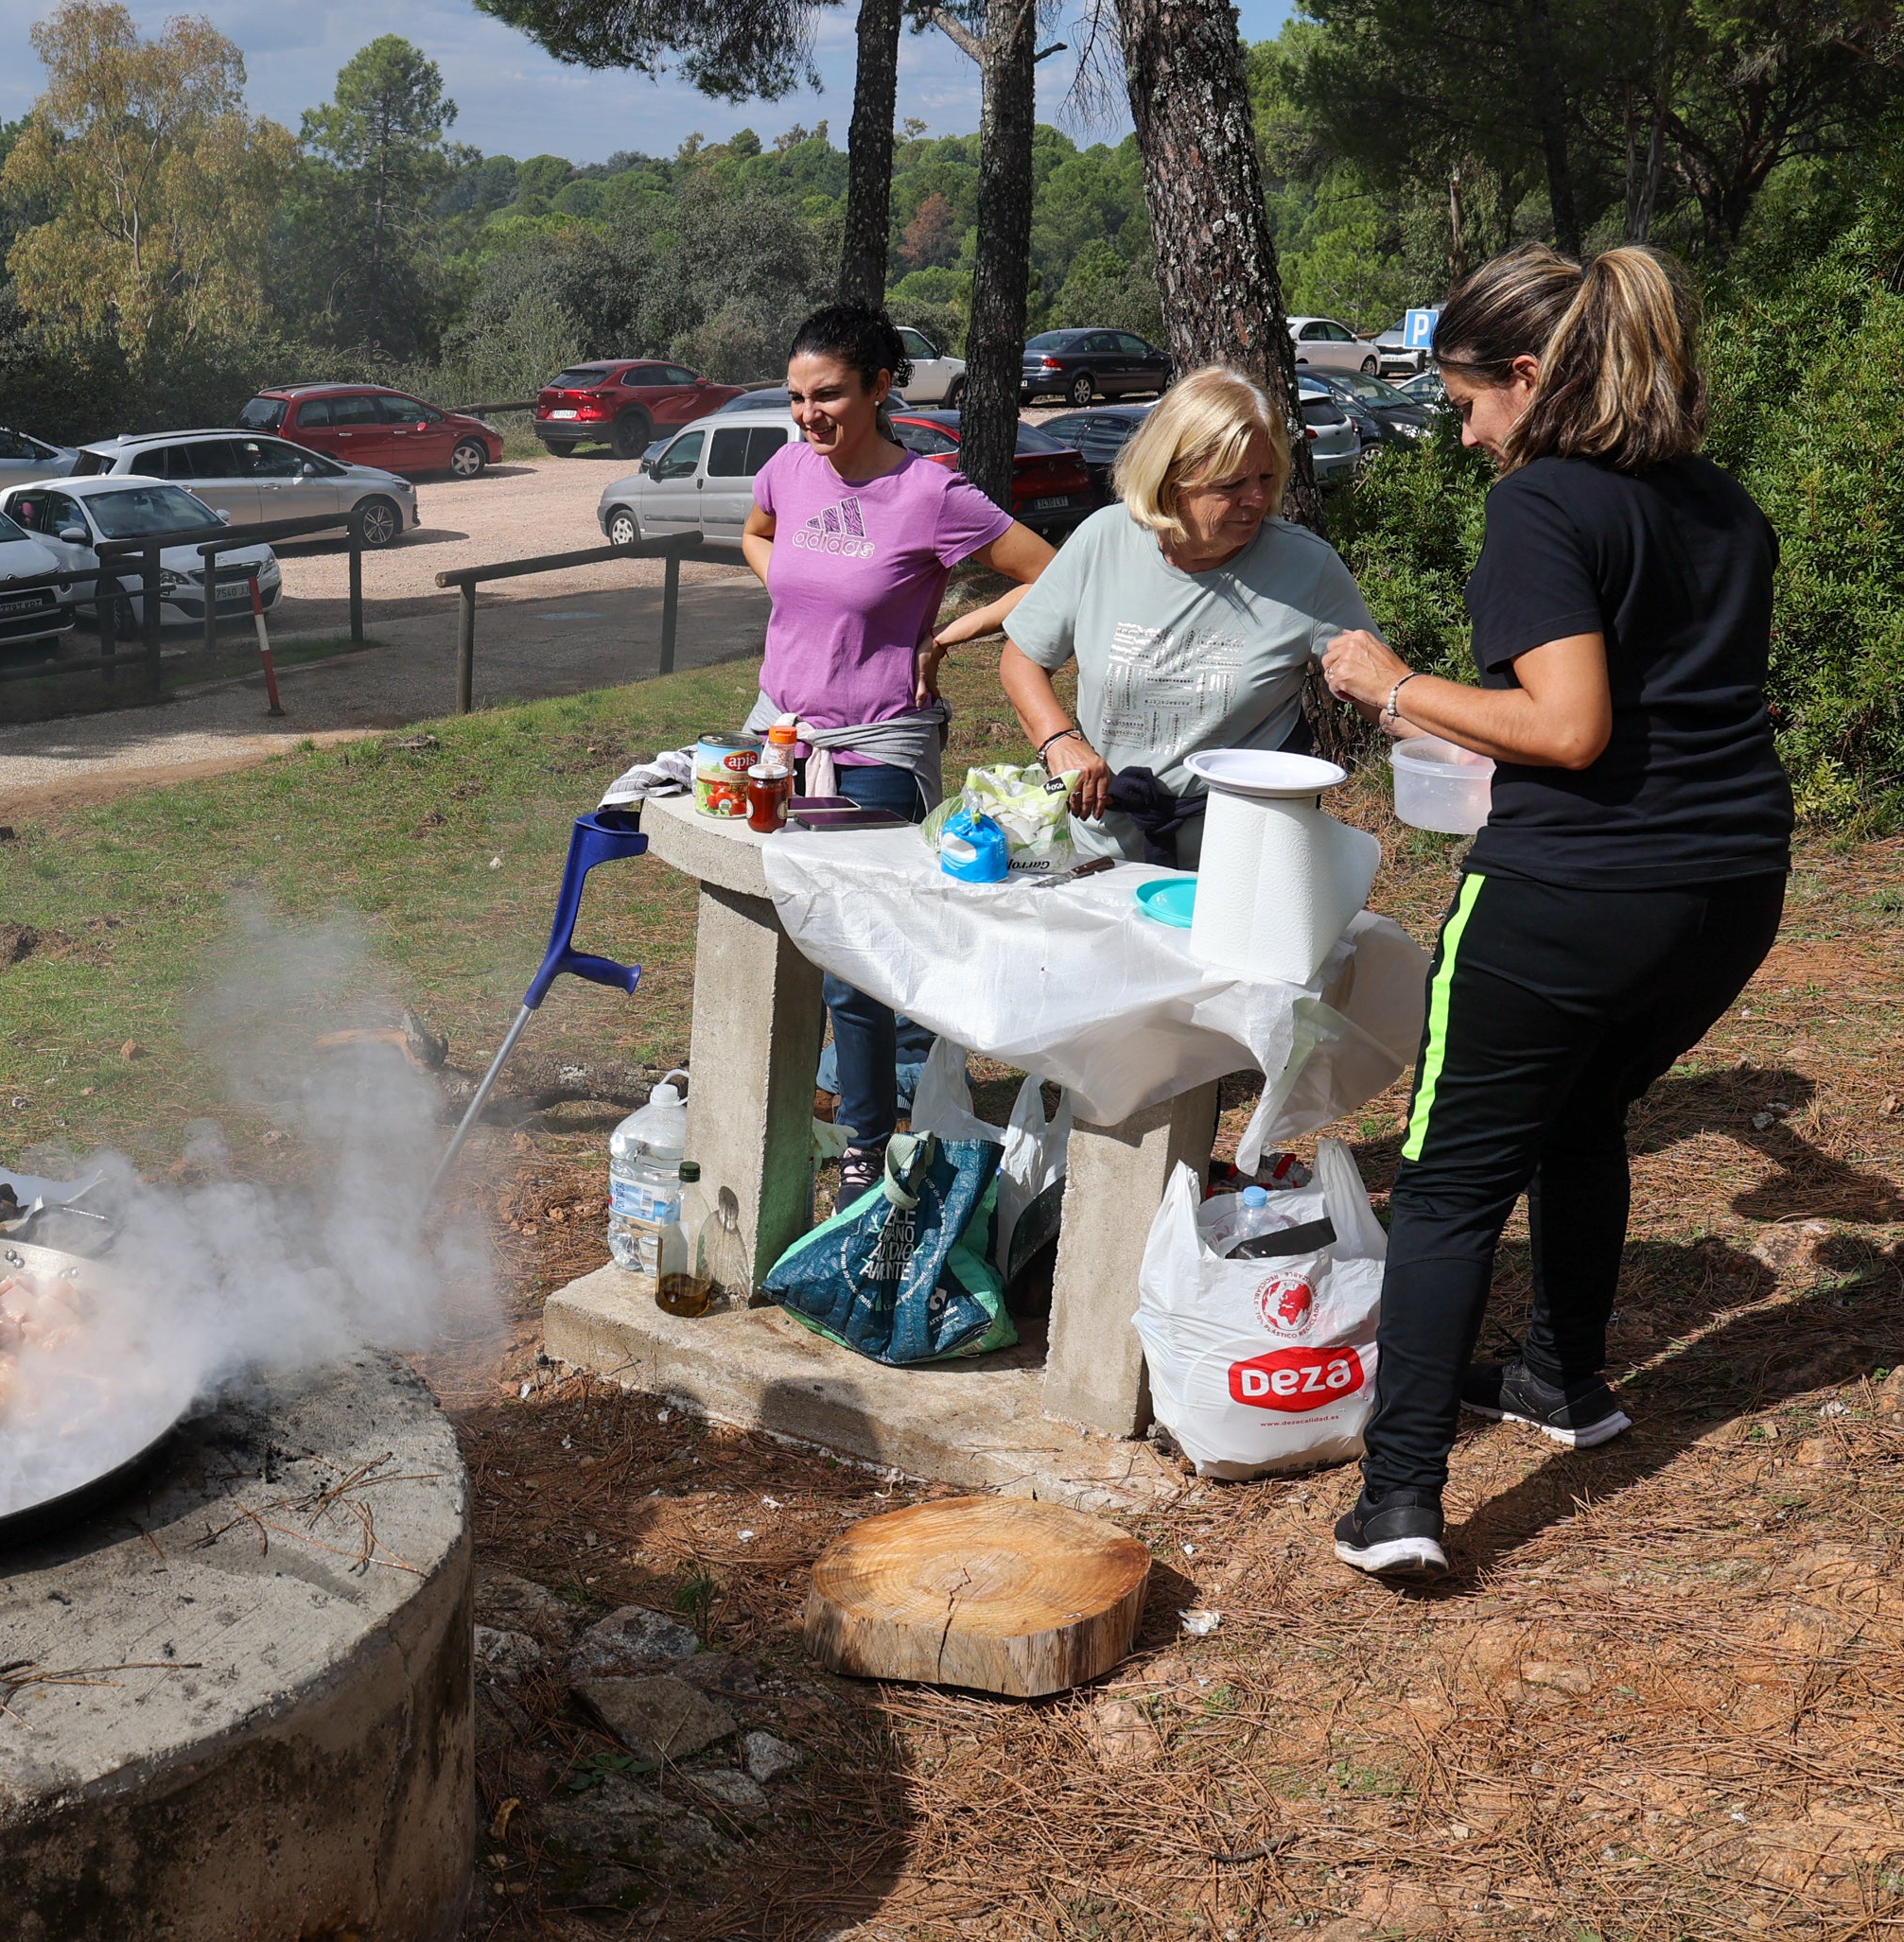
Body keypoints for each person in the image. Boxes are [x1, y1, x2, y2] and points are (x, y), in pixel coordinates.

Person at [1314, 246, 1790, 1577]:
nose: (1463, 431)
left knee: (1451, 1178)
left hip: (1573, 888)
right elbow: (1668, 705)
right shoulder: (1721, 504)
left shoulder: (1542, 506)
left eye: (1467, 400)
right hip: (1726, 891)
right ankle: (1560, 1382)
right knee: (1581, 1117)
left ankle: (1396, 1500)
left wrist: (1391, 684)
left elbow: (1567, 729)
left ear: (1527, 379)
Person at [740, 302, 1055, 1198]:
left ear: (881, 387)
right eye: (797, 398)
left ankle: (865, 1151)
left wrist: (946, 636)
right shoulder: (789, 469)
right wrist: (803, 596)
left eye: (829, 395)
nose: (809, 416)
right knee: (776, 931)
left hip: (878, 743)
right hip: (779, 735)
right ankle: (781, 1108)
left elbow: (1049, 571)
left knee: (854, 959)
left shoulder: (931, 494)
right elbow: (756, 534)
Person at [997, 367, 1380, 865]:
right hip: (1104, 851)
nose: (1257, 499)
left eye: (1266, 477)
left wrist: (1472, 745)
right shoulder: (1104, 539)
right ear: (1171, 479)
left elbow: (1383, 693)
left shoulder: (1307, 568)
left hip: (1246, 857)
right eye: (1231, 484)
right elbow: (1022, 657)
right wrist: (1058, 740)